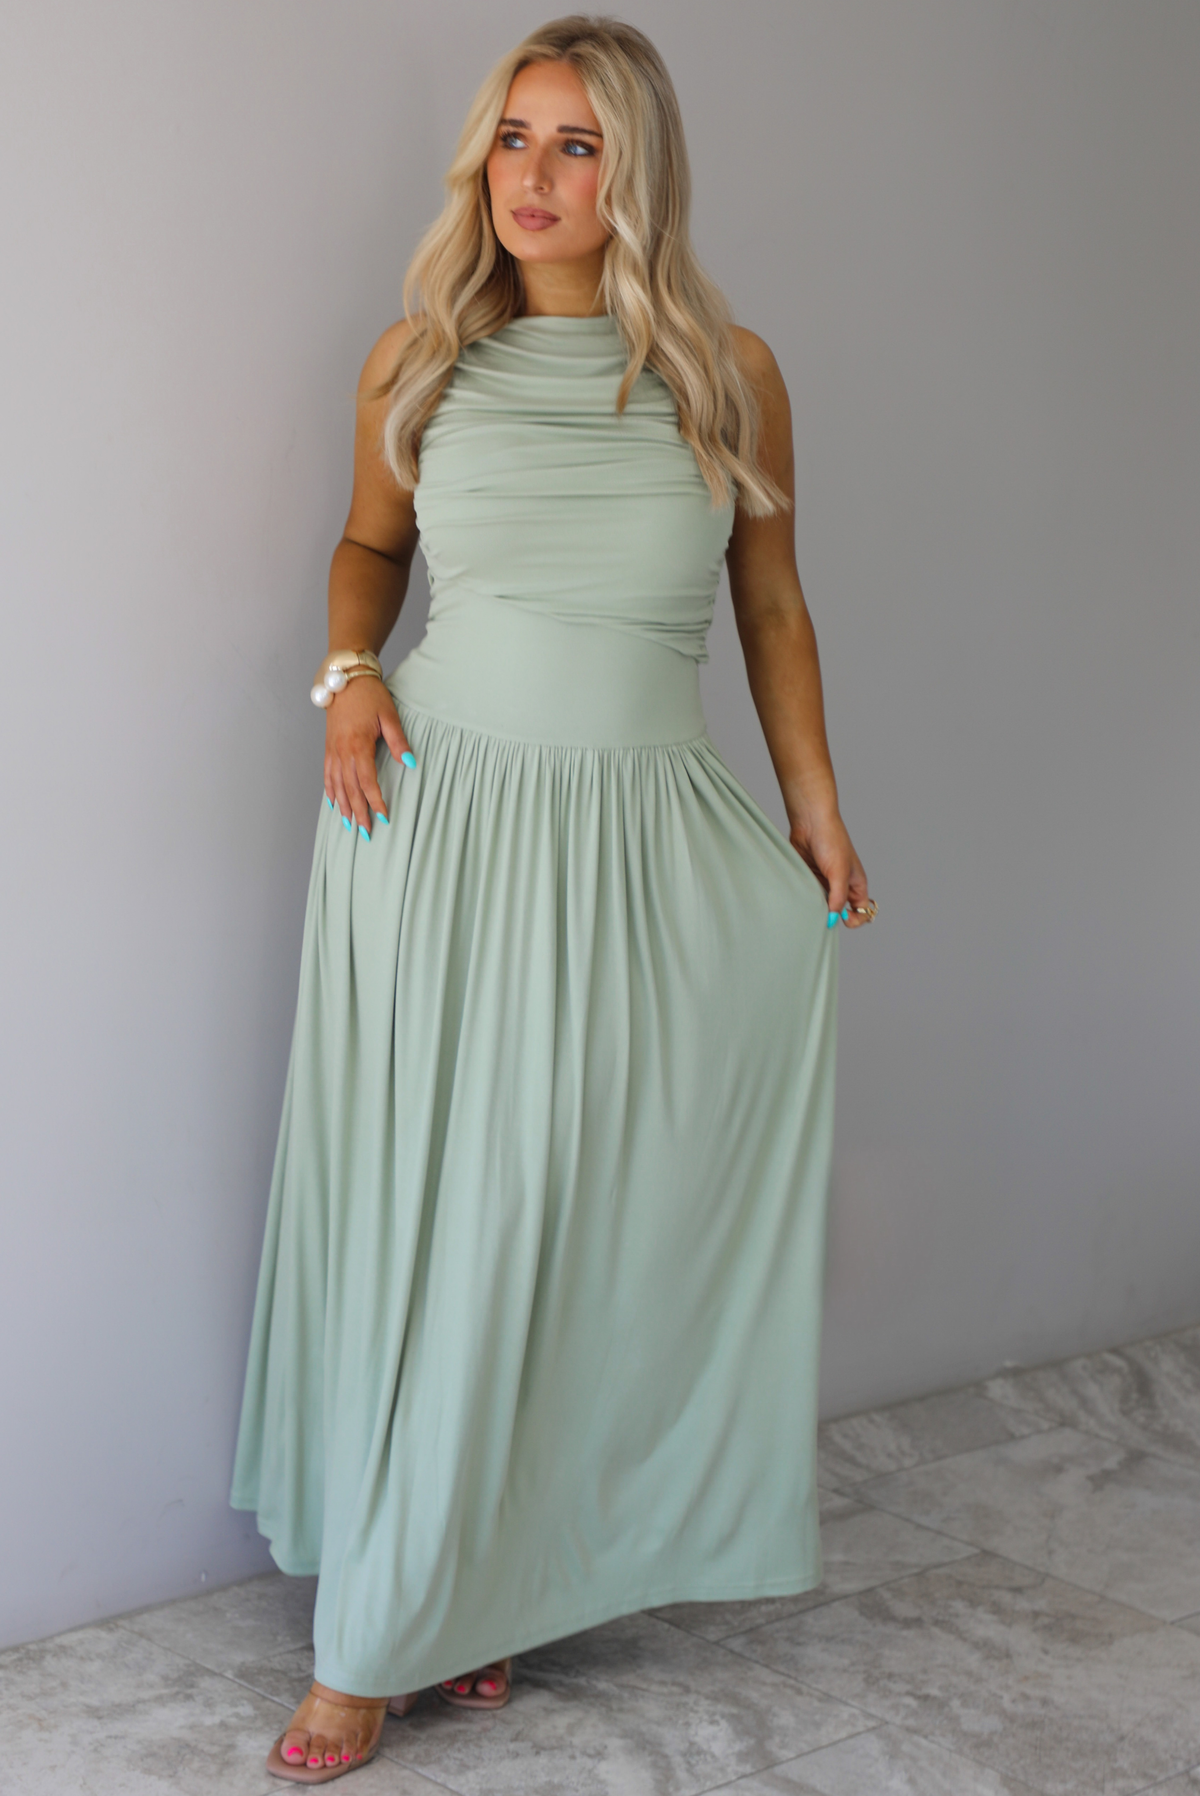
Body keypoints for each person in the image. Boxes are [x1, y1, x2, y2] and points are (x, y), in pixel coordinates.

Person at [231, 13, 873, 1783]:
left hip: (632, 839)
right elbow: (370, 552)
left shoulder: (728, 375)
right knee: (442, 1222)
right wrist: (347, 672)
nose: (533, 176)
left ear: (636, 170)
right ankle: (375, 1635)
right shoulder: (418, 360)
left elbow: (772, 609)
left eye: (576, 145)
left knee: (564, 1218)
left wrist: (816, 815)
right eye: (513, 138)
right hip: (431, 836)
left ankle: (478, 1570)